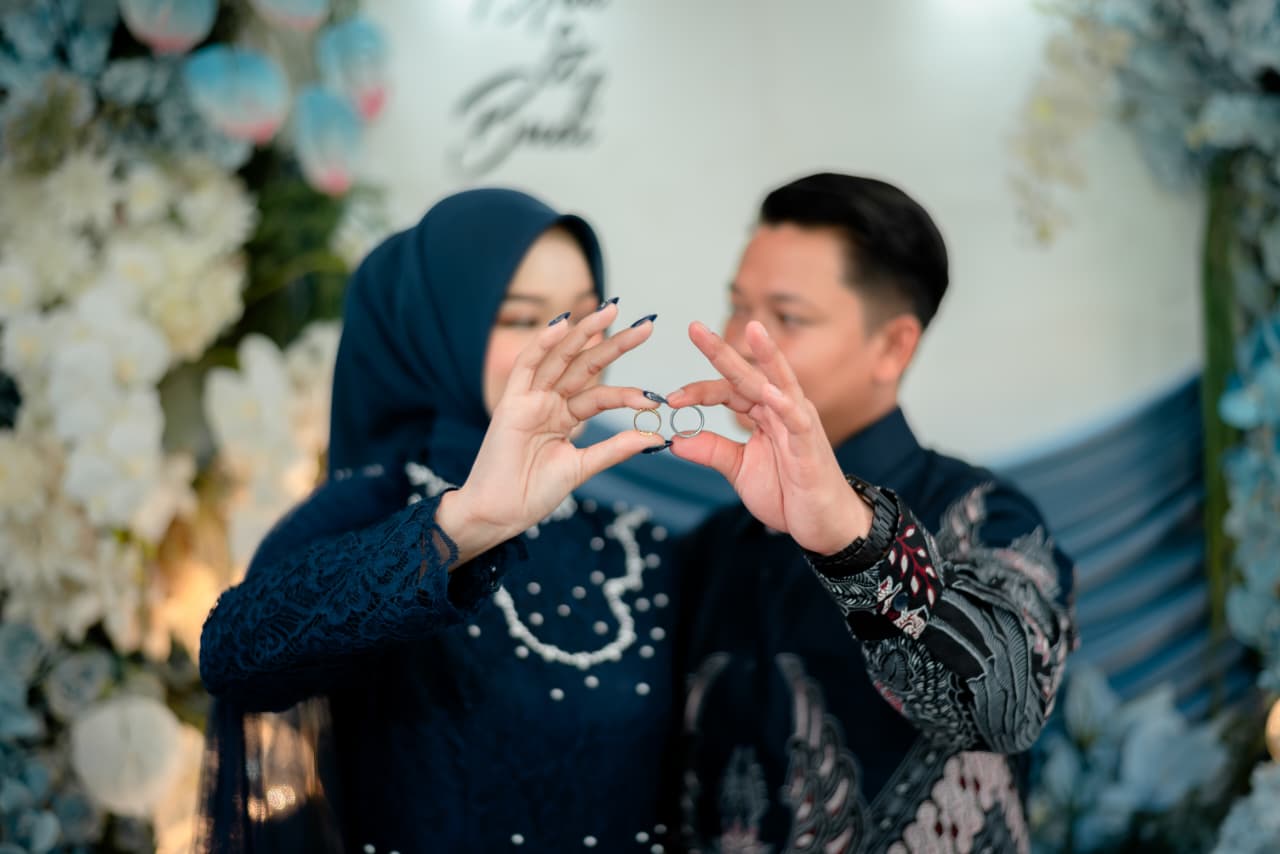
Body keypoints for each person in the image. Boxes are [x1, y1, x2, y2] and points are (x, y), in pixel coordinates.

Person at [196, 188, 678, 852]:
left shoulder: (640, 548)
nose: (564, 346)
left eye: (586, 316)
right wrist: (467, 522)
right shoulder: (372, 509)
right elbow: (234, 656)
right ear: (443, 329)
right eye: (523, 319)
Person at [662, 173, 1078, 852]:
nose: (739, 342)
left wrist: (852, 540)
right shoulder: (711, 547)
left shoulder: (987, 517)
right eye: (737, 307)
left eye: (787, 319)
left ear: (893, 346)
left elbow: (1008, 707)